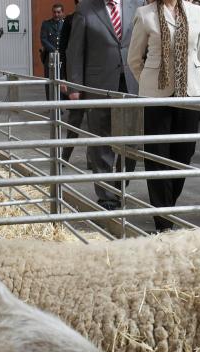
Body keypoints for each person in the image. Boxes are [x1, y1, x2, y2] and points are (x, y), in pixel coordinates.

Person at [128, 0, 200, 231]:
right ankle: (163, 222)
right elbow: (134, 59)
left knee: (184, 155)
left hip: (189, 93)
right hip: (156, 96)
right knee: (157, 156)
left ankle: (167, 206)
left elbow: (199, 56)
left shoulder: (197, 12)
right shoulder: (145, 14)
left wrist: (185, 78)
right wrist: (149, 83)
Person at [66, 0, 145, 210]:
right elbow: (75, 50)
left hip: (131, 82)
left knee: (132, 143)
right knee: (101, 142)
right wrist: (75, 86)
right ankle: (106, 196)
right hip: (99, 85)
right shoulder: (86, 8)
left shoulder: (137, 5)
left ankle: (120, 186)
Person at [59, 0, 86, 163]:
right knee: (75, 119)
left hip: (94, 77)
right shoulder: (70, 20)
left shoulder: (101, 18)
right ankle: (65, 156)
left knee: (96, 122)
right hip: (75, 77)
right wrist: (63, 77)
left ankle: (92, 159)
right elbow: (62, 50)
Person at [40, 4, 66, 99]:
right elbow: (43, 39)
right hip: (50, 57)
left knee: (61, 79)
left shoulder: (65, 24)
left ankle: (60, 103)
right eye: (54, 12)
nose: (56, 14)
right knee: (49, 80)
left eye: (59, 12)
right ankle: (51, 102)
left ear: (62, 12)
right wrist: (54, 50)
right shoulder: (46, 24)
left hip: (62, 57)